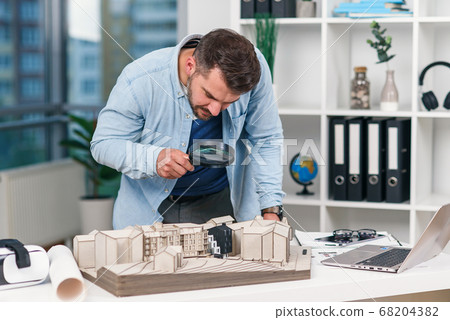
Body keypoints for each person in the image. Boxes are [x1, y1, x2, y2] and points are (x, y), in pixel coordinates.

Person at [91, 28, 284, 229]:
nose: (216, 111)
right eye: (209, 96)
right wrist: (154, 159)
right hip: (149, 210)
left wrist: (271, 210)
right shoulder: (140, 79)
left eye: (229, 102)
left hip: (220, 202)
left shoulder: (252, 70)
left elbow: (267, 139)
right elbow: (103, 144)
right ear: (190, 65)